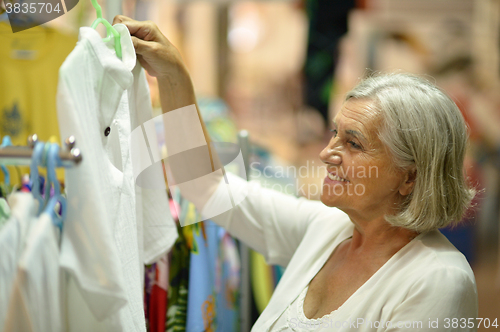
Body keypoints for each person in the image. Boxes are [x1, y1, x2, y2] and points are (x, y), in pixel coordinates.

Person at [113, 16, 479, 331]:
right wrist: (174, 75)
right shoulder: (326, 230)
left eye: (352, 144)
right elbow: (205, 186)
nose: (326, 154)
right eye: (334, 134)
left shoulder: (437, 281)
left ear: (410, 176)